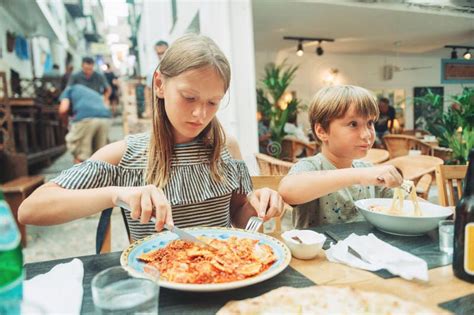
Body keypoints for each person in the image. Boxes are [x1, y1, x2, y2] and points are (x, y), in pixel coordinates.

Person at [19, 34, 284, 241]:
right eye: (189, 97)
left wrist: (260, 206)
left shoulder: (226, 148)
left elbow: (238, 217)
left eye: (213, 102)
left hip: (224, 272)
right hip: (157, 281)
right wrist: (115, 194)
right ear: (159, 84)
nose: (200, 114)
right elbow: (30, 210)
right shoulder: (124, 155)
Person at [278, 85, 402, 228]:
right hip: (321, 250)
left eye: (369, 123)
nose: (367, 134)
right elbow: (288, 190)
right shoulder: (311, 167)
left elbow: (408, 204)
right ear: (322, 131)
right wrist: (360, 176)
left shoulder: (368, 170)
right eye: (353, 124)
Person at [58, 84, 112, 164]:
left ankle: (83, 175)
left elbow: (63, 109)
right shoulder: (91, 92)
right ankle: (101, 176)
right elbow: (106, 103)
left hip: (86, 119)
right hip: (105, 118)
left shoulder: (69, 90)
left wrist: (65, 124)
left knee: (81, 156)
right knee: (101, 157)